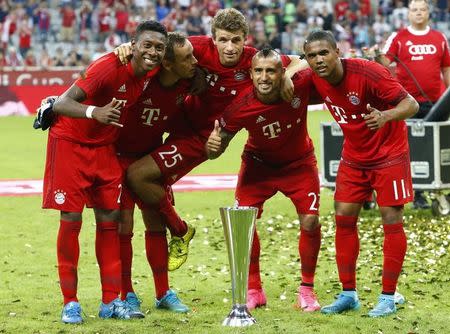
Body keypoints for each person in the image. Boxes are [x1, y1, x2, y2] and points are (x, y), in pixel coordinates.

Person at [115, 8, 306, 272]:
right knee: (150, 191)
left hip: (202, 138)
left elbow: (301, 60)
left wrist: (286, 73)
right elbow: (159, 48)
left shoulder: (253, 61)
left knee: (139, 177)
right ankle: (165, 273)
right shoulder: (197, 48)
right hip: (176, 118)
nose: (230, 47)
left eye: (236, 40)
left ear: (246, 40)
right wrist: (128, 46)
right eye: (224, 39)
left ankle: (180, 230)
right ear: (212, 39)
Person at [42, 20, 167, 324]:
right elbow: (61, 103)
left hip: (104, 149)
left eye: (158, 47)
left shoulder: (151, 71)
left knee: (110, 220)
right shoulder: (108, 66)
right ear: (133, 44)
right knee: (71, 220)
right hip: (70, 144)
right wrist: (94, 112)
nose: (152, 52)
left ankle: (111, 301)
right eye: (146, 45)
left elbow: (188, 52)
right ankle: (70, 302)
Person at [303, 30, 418, 317]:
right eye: (312, 56)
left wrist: (385, 116)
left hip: (389, 153)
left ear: (337, 51)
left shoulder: (369, 73)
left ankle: (389, 297)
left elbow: (411, 104)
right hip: (354, 156)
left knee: (391, 219)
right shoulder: (313, 77)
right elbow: (287, 65)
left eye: (324, 53)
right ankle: (349, 294)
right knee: (343, 219)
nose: (318, 60)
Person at [205, 49, 322, 311]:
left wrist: (291, 72)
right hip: (258, 166)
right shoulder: (240, 107)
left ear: (281, 72)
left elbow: (312, 59)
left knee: (311, 221)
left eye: (271, 70)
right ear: (251, 74)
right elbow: (216, 149)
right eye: (259, 71)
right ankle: (254, 289)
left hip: (299, 163)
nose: (264, 76)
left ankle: (307, 290)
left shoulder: (299, 84)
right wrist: (213, 146)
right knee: (243, 222)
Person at [116, 32, 199, 314]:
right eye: (187, 57)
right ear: (167, 63)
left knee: (154, 225)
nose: (194, 62)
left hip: (149, 158)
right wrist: (123, 50)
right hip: (116, 157)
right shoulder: (142, 77)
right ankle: (126, 293)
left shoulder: (188, 81)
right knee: (122, 227)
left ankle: (163, 292)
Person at [375, 0, 450, 209]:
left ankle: (433, 188)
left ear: (428, 13)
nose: (419, 13)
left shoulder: (439, 38)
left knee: (434, 148)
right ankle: (417, 195)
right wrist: (374, 54)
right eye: (414, 10)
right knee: (412, 149)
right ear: (408, 14)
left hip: (436, 103)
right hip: (407, 104)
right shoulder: (398, 37)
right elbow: (384, 63)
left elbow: (446, 69)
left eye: (422, 9)